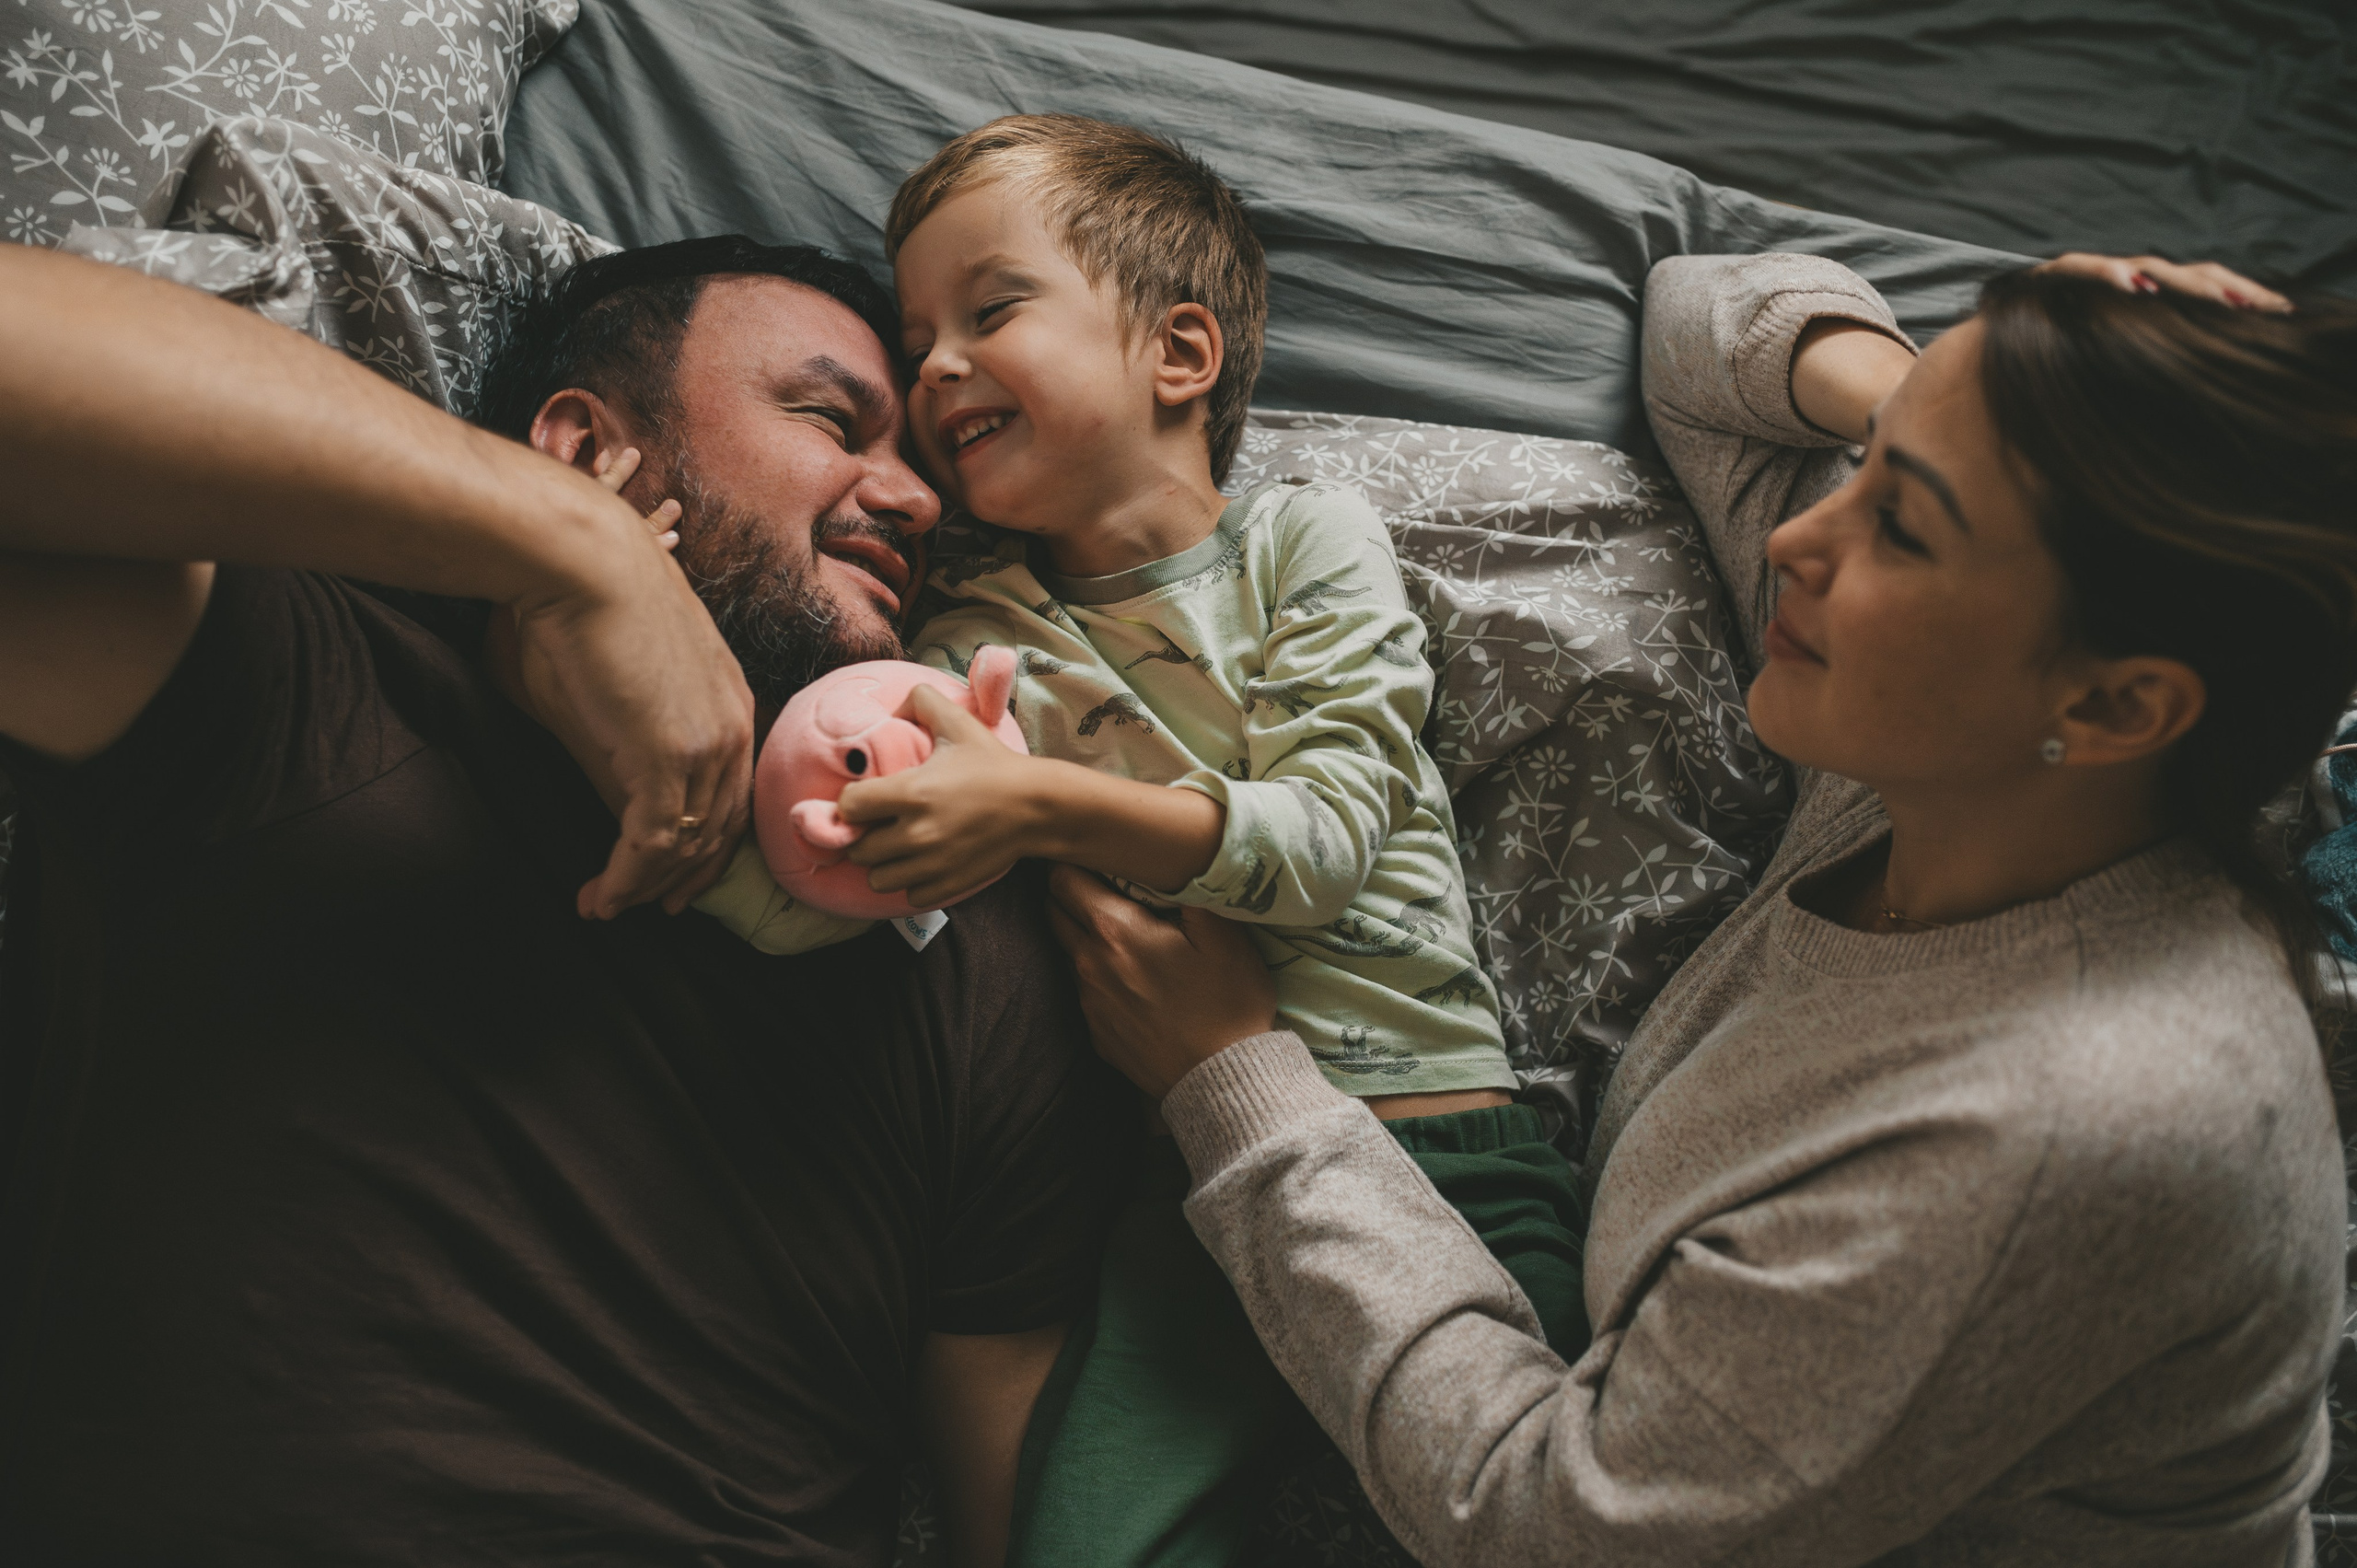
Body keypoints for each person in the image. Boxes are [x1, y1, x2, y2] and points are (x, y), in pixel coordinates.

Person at [1046, 247, 2355, 1564]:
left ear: (2116, 703)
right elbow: (1696, 333)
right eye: (1869, 462)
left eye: (1903, 524)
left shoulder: (2064, 1130)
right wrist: (1987, 401)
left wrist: (1236, 1083)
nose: (1799, 540)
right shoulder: (1984, 766)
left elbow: (1547, 1523)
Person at [0, 236, 1127, 1568]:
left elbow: (1031, 1524)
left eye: (926, 466)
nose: (920, 502)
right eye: (833, 421)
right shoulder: (294, 686)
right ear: (586, 445)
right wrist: (572, 546)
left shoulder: (963, 942)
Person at [821, 114, 1585, 1568]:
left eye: (991, 311)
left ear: (1178, 354)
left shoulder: (1307, 541)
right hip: (1182, 1189)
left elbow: (1322, 844)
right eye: (916, 342)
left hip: (1444, 1154)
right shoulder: (972, 630)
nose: (933, 371)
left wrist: (1037, 804)